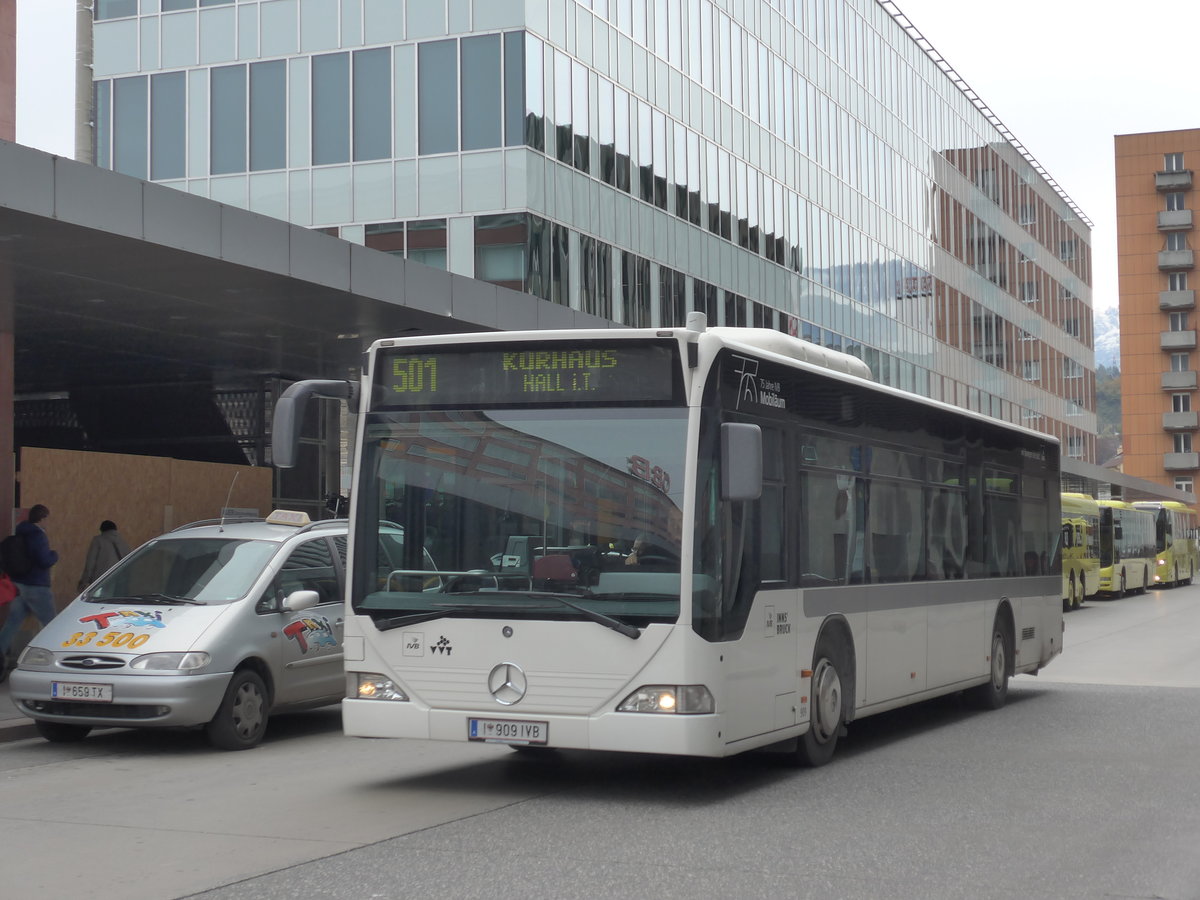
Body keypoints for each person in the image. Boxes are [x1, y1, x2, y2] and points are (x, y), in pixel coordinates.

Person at [0, 504, 60, 681]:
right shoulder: (37, 535)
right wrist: (54, 555)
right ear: (42, 518)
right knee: (52, 624)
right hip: (37, 586)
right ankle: (58, 658)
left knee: (12, 624)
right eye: (47, 518)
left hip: (19, 585)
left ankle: (0, 654)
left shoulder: (21, 532)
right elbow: (43, 560)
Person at [78, 520, 132, 591]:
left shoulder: (98, 540)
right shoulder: (123, 542)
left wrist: (84, 581)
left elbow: (90, 563)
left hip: (102, 581)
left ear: (102, 530)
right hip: (120, 581)